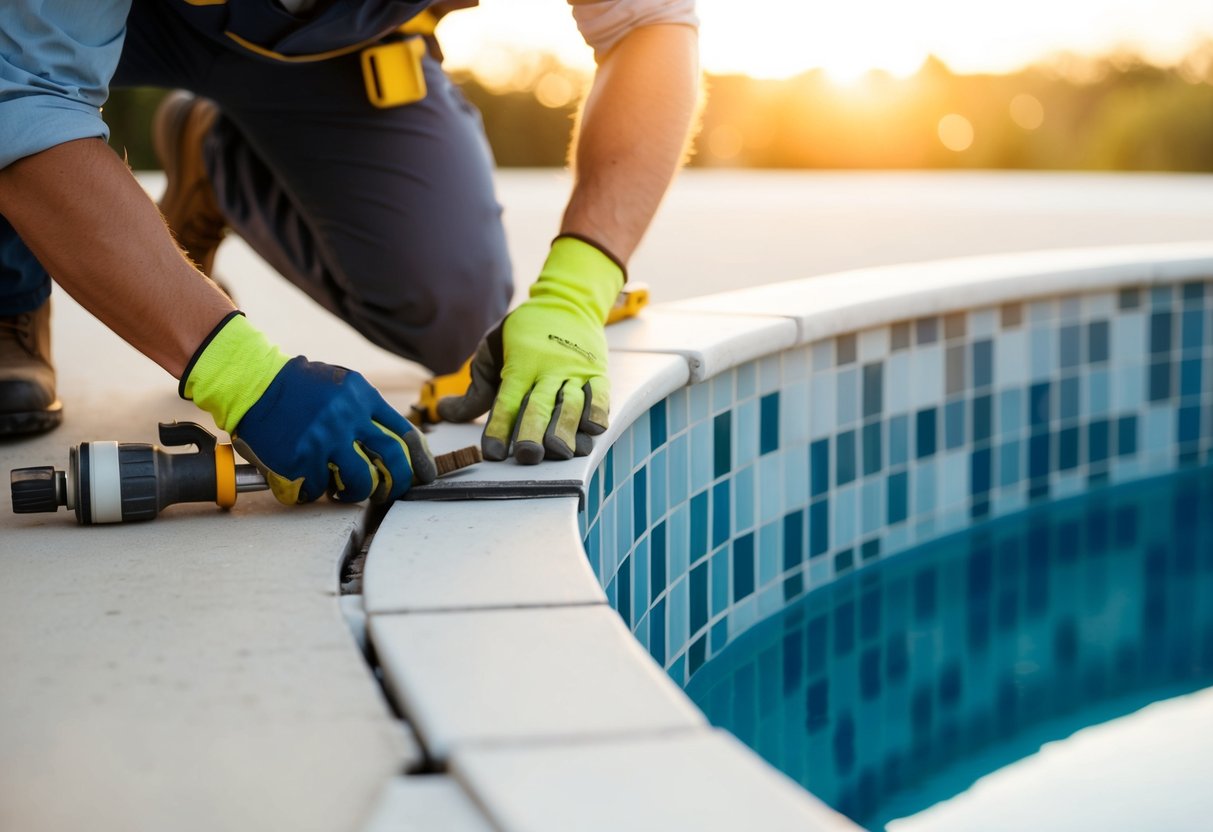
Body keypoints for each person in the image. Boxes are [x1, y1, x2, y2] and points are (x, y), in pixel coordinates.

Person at [0, 0, 700, 506]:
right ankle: (9, 287)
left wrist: (575, 290)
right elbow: (23, 91)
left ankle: (220, 155)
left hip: (330, 45)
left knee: (450, 312)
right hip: (111, 21)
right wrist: (240, 376)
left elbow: (648, 24)